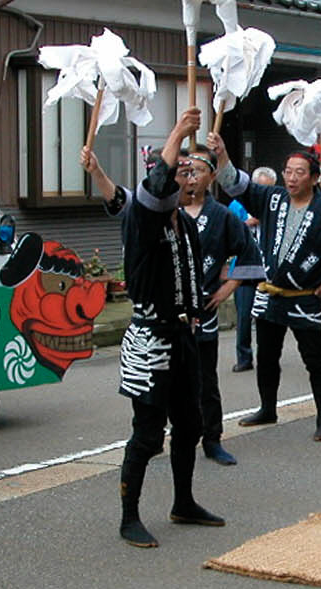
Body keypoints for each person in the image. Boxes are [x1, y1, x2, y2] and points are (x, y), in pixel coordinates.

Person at [80, 142, 262, 467]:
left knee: (204, 384)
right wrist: (96, 171)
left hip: (196, 317)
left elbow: (249, 253)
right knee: (155, 396)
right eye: (183, 172)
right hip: (157, 322)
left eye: (194, 172)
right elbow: (117, 199)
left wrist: (225, 290)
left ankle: (211, 438)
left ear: (207, 178)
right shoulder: (148, 213)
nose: (189, 179)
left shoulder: (218, 216)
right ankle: (153, 443)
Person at [104, 109, 225, 547]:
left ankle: (183, 501)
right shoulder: (142, 218)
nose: (179, 182)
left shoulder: (186, 225)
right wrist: (177, 132)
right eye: (174, 175)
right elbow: (154, 189)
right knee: (148, 432)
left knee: (190, 424)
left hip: (183, 335)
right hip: (150, 337)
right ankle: (128, 515)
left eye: (183, 176)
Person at [208, 136, 321, 442]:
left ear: (313, 177)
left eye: (299, 172)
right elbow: (234, 185)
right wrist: (223, 153)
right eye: (288, 171)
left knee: (315, 361)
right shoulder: (272, 199)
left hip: (305, 299)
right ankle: (267, 408)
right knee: (267, 357)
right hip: (270, 295)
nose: (291, 177)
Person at [229, 166, 276, 373]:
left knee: (269, 314)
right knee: (244, 314)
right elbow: (227, 231)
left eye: (269, 189)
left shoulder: (276, 207)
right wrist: (249, 222)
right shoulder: (237, 205)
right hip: (244, 267)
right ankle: (244, 356)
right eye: (261, 188)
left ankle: (268, 354)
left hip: (269, 268)